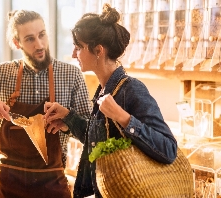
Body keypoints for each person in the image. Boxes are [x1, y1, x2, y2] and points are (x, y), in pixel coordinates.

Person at [0, 9, 92, 198]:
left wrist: (68, 121)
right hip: (9, 183)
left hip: (52, 183)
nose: (39, 45)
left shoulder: (71, 75)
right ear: (17, 43)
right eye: (30, 39)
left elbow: (89, 131)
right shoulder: (4, 73)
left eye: (42, 35)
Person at [43, 4, 178, 198]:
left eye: (78, 47)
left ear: (98, 50)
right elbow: (100, 142)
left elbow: (169, 149)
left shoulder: (132, 89)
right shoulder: (104, 90)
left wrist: (123, 118)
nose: (74, 54)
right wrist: (68, 119)